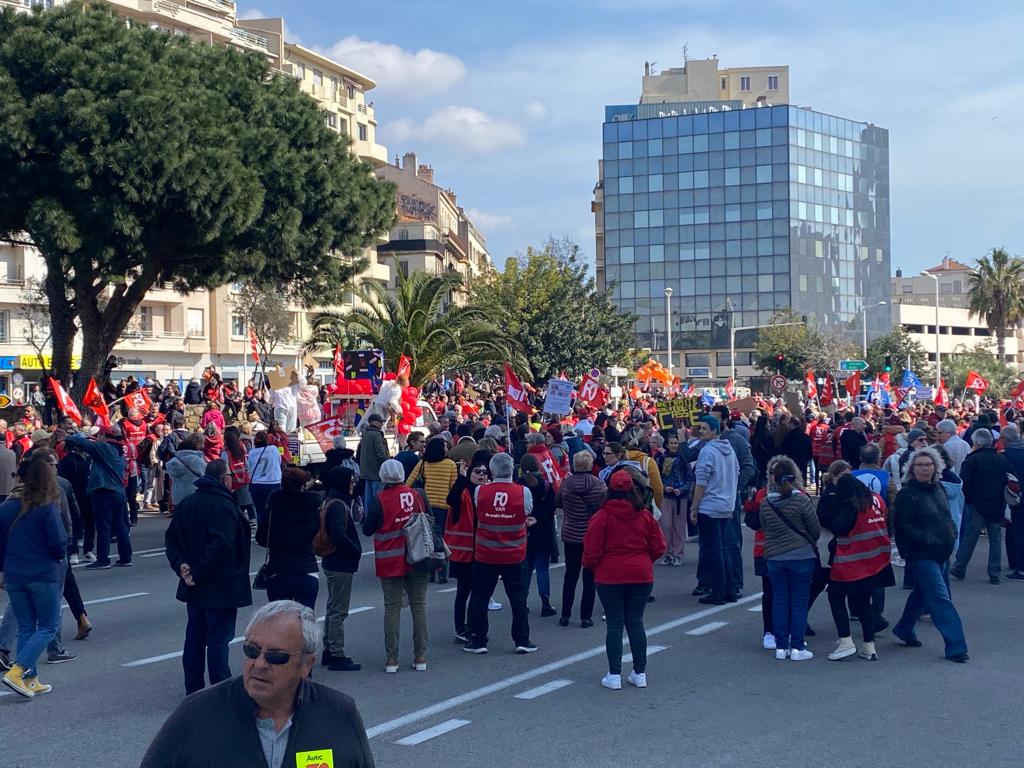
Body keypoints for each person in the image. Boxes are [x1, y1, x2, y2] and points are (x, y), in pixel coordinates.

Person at [139, 601, 375, 768]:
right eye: (252, 650)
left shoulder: (339, 713)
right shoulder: (197, 713)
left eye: (276, 656)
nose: (260, 664)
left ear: (306, 665)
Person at [164, 460, 253, 695]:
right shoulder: (223, 506)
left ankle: (193, 687)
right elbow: (221, 545)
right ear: (224, 479)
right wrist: (194, 570)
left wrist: (182, 565)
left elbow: (171, 539)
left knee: (195, 637)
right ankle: (220, 689)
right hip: (219, 584)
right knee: (217, 639)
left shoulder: (188, 503)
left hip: (196, 584)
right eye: (230, 476)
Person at [584, 468, 666, 690]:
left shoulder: (601, 517)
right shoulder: (644, 515)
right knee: (636, 621)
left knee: (614, 624)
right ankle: (639, 672)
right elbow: (659, 546)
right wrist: (644, 560)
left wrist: (595, 567)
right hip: (640, 574)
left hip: (610, 575)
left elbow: (591, 551)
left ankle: (614, 673)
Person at [892, 446, 969, 662]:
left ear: (935, 466)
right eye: (920, 465)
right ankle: (957, 647)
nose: (924, 468)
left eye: (928, 464)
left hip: (942, 551)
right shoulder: (907, 494)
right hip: (922, 554)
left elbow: (946, 515)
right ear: (912, 468)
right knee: (940, 599)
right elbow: (902, 525)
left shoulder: (939, 488)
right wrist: (925, 538)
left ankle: (904, 629)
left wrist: (952, 532)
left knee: (922, 594)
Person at [0, 454, 67, 697]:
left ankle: (30, 678)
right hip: (41, 571)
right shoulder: (46, 505)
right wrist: (59, 556)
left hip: (15, 573)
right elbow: (58, 540)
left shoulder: (7, 506)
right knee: (49, 625)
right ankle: (18, 671)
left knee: (26, 626)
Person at [463, 452, 537, 655]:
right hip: (514, 553)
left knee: (480, 597)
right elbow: (527, 512)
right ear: (512, 470)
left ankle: (478, 640)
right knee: (518, 598)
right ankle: (522, 639)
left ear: (492, 471)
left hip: (486, 553)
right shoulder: (524, 492)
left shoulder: (480, 491)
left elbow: (479, 511)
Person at [362, 459, 429, 672]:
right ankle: (420, 656)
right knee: (419, 605)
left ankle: (392, 658)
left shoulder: (379, 499)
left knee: (392, 608)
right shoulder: (418, 494)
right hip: (417, 556)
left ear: (383, 477)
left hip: (390, 557)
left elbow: (367, 529)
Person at [819, 475, 894, 662]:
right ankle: (869, 646)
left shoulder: (851, 507)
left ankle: (845, 641)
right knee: (863, 603)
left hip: (850, 562)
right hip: (875, 561)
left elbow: (838, 527)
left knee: (835, 597)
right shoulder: (875, 501)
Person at [758, 458, 820, 661]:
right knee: (799, 601)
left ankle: (780, 645)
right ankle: (797, 646)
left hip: (775, 557)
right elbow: (814, 529)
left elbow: (765, 529)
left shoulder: (766, 503)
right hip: (801, 556)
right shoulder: (801, 500)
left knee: (780, 601)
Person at [689, 416, 740, 606]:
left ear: (714, 430)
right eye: (700, 428)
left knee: (713, 550)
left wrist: (694, 507)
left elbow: (701, 483)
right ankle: (730, 589)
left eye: (704, 428)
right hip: (726, 504)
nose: (701, 431)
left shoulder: (708, 451)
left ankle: (718, 591)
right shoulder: (729, 450)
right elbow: (736, 474)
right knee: (723, 548)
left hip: (710, 506)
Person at [66, 427, 132, 570]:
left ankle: (103, 559)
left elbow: (83, 444)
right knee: (120, 526)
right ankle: (125, 557)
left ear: (103, 435)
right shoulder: (120, 449)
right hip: (119, 491)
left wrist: (72, 435)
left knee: (103, 527)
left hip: (105, 491)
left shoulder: (105, 448)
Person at [256, 467, 321, 610]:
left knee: (280, 621)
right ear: (303, 485)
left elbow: (261, 538)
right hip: (306, 568)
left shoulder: (273, 508)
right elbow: (316, 532)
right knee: (305, 621)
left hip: (279, 569)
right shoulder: (312, 508)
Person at [952, 427, 1011, 584]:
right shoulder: (1002, 459)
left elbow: (964, 483)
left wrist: (970, 500)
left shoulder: (972, 460)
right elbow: (1009, 480)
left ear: (976, 443)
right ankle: (994, 573)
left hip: (977, 504)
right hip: (997, 503)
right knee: (996, 538)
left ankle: (960, 567)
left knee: (970, 537)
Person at [556, 450, 606, 628]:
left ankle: (565, 614)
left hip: (570, 533)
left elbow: (558, 502)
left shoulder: (567, 483)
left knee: (570, 575)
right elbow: (603, 507)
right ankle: (586, 616)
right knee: (589, 576)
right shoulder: (598, 485)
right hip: (590, 534)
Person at [445, 454, 491, 643]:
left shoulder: (488, 493)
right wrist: (461, 477)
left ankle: (475, 627)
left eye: (484, 472)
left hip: (482, 552)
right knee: (463, 592)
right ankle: (460, 628)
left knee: (479, 592)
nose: (481, 475)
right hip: (464, 553)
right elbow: (451, 499)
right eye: (477, 472)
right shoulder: (463, 492)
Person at [407, 436, 458, 584]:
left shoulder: (423, 463)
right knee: (440, 539)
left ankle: (429, 572)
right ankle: (442, 573)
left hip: (425, 506)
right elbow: (453, 488)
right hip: (443, 507)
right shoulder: (450, 465)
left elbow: (408, 483)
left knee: (427, 539)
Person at [657, 433, 690, 566]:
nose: (674, 445)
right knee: (665, 525)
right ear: (667, 444)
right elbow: (657, 477)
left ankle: (677, 554)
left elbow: (689, 478)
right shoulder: (660, 459)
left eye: (676, 443)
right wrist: (664, 488)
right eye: (671, 443)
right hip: (666, 495)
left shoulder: (683, 459)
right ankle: (666, 553)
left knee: (679, 526)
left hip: (680, 497)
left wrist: (681, 489)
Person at [1000, 423, 1024, 581]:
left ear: (1006, 439)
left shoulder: (1006, 454)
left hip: (1016, 498)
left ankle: (1020, 568)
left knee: (1019, 532)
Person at [248, 430, 283, 526]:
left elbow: (250, 467)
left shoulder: (251, 453)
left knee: (260, 510)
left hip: (257, 483)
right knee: (274, 509)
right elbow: (279, 462)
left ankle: (261, 533)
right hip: (273, 482)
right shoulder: (274, 449)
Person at [357, 413, 389, 514]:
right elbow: (380, 453)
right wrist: (386, 466)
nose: (381, 424)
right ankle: (376, 519)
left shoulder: (365, 434)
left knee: (368, 497)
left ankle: (368, 518)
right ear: (374, 422)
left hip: (366, 471)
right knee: (377, 497)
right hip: (376, 471)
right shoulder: (376, 434)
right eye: (380, 422)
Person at [165, 433, 208, 508]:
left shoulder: (173, 462)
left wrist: (170, 499)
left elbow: (171, 481)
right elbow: (206, 475)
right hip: (194, 495)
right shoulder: (197, 460)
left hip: (177, 497)